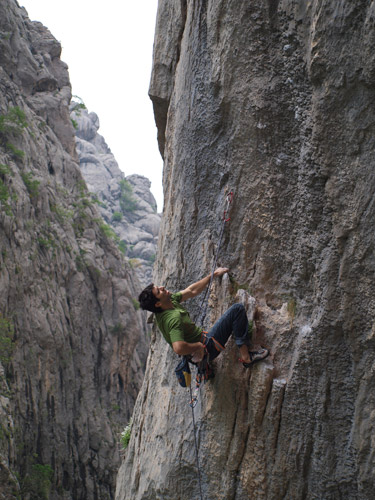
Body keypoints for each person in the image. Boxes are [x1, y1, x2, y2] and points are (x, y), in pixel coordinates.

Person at [138, 267, 269, 367]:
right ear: (158, 303)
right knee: (237, 309)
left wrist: (213, 275)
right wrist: (198, 346)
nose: (162, 287)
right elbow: (178, 348)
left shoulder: (167, 304)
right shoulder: (173, 318)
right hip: (208, 347)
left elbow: (191, 291)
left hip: (195, 354)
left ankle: (204, 365)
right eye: (159, 291)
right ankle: (246, 358)